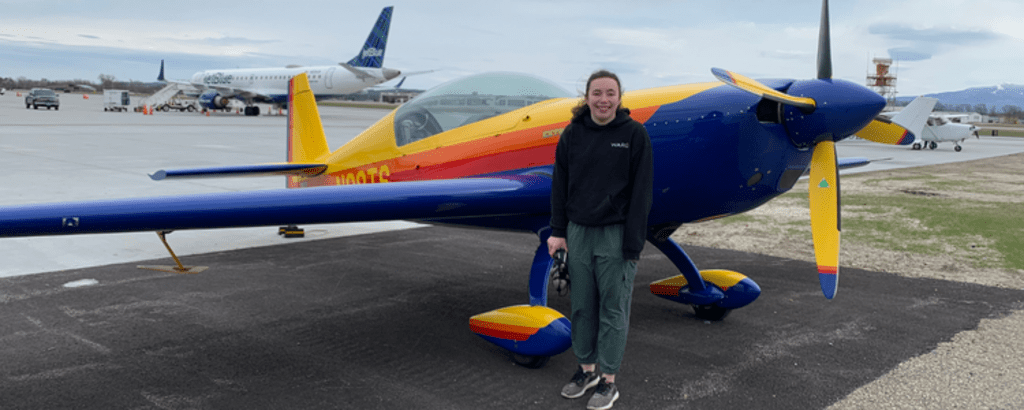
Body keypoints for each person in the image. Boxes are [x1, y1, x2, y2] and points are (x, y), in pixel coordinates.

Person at [547, 70, 653, 410]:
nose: (603, 100)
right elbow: (559, 187)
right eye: (597, 93)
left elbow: (641, 194)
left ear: (620, 97)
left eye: (610, 93)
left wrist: (633, 244)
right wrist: (557, 231)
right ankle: (586, 370)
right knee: (581, 306)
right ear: (587, 96)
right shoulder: (573, 134)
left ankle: (608, 380)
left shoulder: (634, 135)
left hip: (616, 234)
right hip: (578, 232)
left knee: (613, 308)